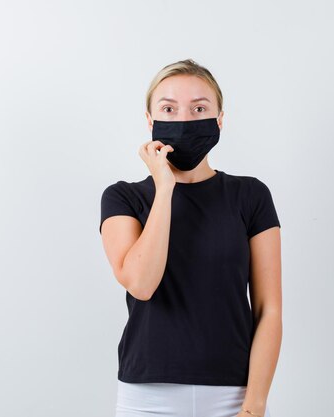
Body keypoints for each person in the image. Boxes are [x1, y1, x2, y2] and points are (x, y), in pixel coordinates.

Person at [99, 59, 282, 417]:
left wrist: (254, 406)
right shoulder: (123, 198)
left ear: (219, 120)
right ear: (150, 122)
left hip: (234, 395)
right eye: (169, 108)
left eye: (199, 108)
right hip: (147, 398)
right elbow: (141, 283)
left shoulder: (250, 195)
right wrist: (164, 188)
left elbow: (269, 309)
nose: (183, 120)